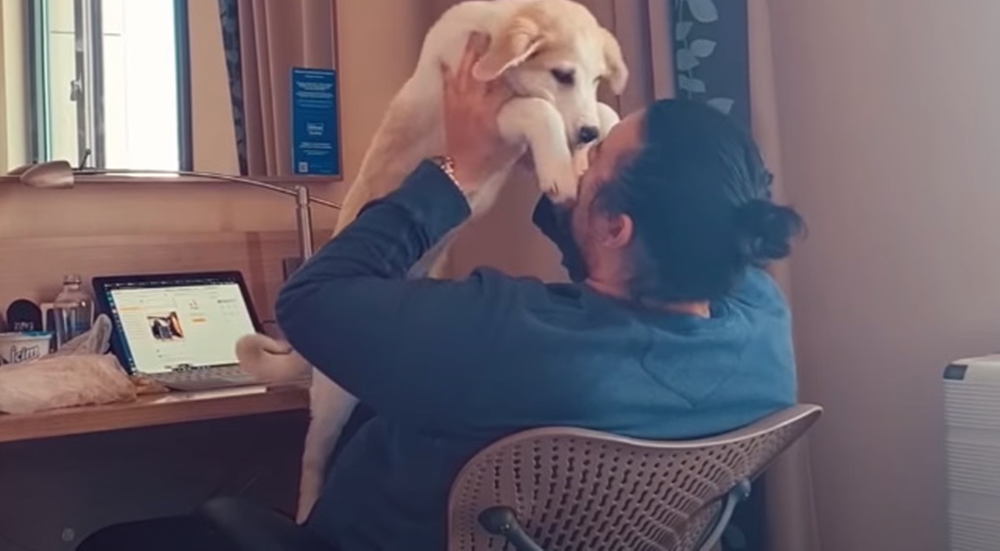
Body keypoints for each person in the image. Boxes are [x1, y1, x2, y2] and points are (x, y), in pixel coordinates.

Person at [78, 35, 802, 551]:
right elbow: (637, 266)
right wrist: (564, 190)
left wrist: (461, 169)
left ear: (617, 227)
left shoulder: (505, 337)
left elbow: (312, 297)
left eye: (599, 158)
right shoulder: (761, 331)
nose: (580, 162)